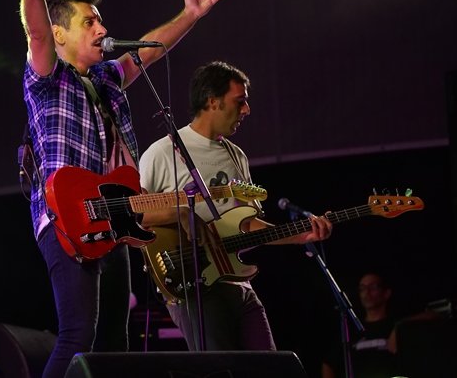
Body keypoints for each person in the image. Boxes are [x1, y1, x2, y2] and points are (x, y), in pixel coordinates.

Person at [8, 0, 224, 378]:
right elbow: (37, 33)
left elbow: (149, 52)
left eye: (100, 21)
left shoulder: (106, 79)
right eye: (90, 22)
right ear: (61, 32)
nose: (103, 29)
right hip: (66, 216)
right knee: (77, 335)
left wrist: (190, 15)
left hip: (112, 216)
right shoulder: (49, 78)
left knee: (114, 343)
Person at [139, 60, 333, 351]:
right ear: (212, 101)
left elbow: (247, 224)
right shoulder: (162, 152)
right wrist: (180, 214)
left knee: (269, 367)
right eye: (239, 101)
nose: (247, 110)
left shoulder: (236, 155)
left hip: (238, 283)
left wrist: (301, 235)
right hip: (191, 282)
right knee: (222, 368)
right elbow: (136, 214)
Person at [322, 272, 397, 378]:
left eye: (373, 287)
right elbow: (329, 363)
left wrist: (400, 326)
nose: (367, 293)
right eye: (362, 288)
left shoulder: (396, 326)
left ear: (386, 293)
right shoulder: (350, 329)